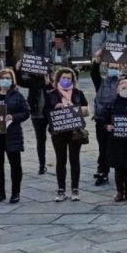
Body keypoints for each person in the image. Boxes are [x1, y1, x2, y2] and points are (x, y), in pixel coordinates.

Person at [0, 68, 30, 203]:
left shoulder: (17, 95)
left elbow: (26, 112)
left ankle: (15, 193)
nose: (5, 80)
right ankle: (0, 192)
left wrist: (13, 117)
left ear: (12, 80)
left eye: (8, 78)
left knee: (15, 165)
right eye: (3, 77)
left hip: (12, 134)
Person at [91, 48, 127, 186]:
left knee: (121, 147)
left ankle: (124, 171)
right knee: (103, 147)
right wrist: (98, 59)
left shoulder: (124, 82)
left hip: (119, 119)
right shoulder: (101, 82)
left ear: (121, 69)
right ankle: (102, 172)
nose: (114, 69)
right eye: (111, 67)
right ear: (107, 68)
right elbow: (94, 73)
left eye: (116, 67)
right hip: (102, 120)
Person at [44, 68, 89, 202]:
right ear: (58, 79)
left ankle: (75, 188)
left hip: (75, 131)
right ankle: (61, 188)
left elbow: (86, 109)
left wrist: (75, 108)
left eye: (69, 78)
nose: (66, 80)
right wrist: (55, 108)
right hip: (58, 131)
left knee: (74, 159)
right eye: (64, 77)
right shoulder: (51, 94)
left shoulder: (78, 93)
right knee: (61, 160)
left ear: (73, 80)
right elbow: (45, 111)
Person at [15, 60, 53, 176]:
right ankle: (42, 165)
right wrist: (18, 69)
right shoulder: (32, 81)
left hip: (51, 114)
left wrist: (49, 83)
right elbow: (20, 81)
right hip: (37, 114)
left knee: (57, 138)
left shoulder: (51, 81)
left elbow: (57, 91)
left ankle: (61, 162)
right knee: (40, 140)